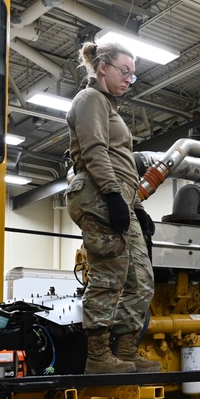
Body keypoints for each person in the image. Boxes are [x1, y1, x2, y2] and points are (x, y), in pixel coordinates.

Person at [65, 41, 160, 374]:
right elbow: (93, 150)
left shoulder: (110, 106)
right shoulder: (90, 99)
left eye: (132, 76)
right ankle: (98, 356)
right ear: (102, 66)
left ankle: (124, 350)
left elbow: (121, 163)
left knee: (141, 279)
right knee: (108, 275)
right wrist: (113, 195)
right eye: (124, 71)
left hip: (120, 196)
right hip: (98, 192)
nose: (128, 80)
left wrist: (134, 205)